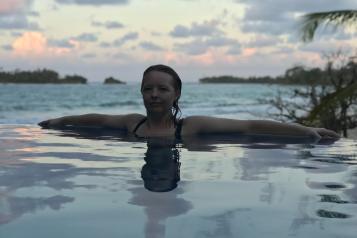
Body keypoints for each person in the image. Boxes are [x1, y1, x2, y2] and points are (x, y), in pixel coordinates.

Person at [38, 64, 340, 141]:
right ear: (141, 93)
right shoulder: (133, 124)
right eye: (148, 89)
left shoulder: (190, 128)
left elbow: (248, 127)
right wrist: (59, 122)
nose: (154, 94)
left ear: (176, 94)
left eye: (162, 89)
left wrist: (305, 130)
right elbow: (97, 120)